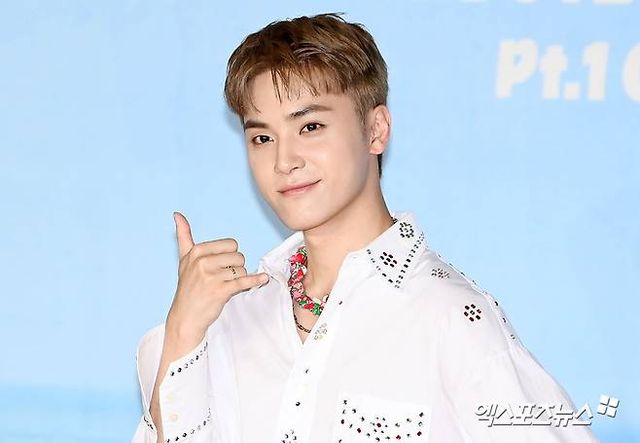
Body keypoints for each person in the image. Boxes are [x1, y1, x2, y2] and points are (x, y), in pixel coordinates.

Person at [131, 12, 599, 443]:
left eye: (310, 127)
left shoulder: (449, 316)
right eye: (262, 137)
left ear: (376, 130)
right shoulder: (232, 316)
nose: (284, 160)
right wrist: (182, 333)